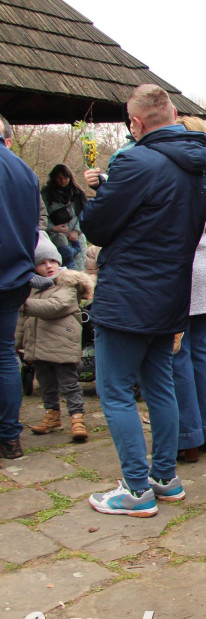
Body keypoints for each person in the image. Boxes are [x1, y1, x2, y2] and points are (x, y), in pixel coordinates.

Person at [78, 84, 206, 516]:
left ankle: (136, 489)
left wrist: (98, 193)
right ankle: (164, 478)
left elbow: (97, 227)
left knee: (115, 389)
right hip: (172, 290)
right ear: (172, 112)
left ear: (136, 124)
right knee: (159, 384)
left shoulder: (135, 162)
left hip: (129, 294)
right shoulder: (201, 168)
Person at [173, 116, 206, 464]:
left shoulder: (186, 173)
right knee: (202, 352)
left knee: (179, 352)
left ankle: (189, 435)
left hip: (188, 267)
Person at [16, 237, 94, 442]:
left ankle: (77, 417)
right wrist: (16, 343)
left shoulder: (67, 283)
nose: (48, 266)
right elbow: (22, 321)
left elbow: (56, 306)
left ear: (59, 261)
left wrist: (24, 304)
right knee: (46, 383)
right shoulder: (32, 288)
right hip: (38, 345)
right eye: (41, 263)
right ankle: (52, 415)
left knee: (69, 383)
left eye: (52, 261)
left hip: (61, 345)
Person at [1, 114, 43, 463]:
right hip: (15, 273)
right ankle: (10, 436)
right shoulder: (25, 172)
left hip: (11, 273)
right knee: (4, 355)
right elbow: (34, 226)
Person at [40, 164, 88, 270]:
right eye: (59, 178)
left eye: (65, 178)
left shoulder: (78, 193)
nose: (63, 181)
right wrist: (52, 228)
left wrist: (76, 230)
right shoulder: (46, 194)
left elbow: (85, 214)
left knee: (78, 271)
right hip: (55, 238)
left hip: (76, 239)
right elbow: (41, 214)